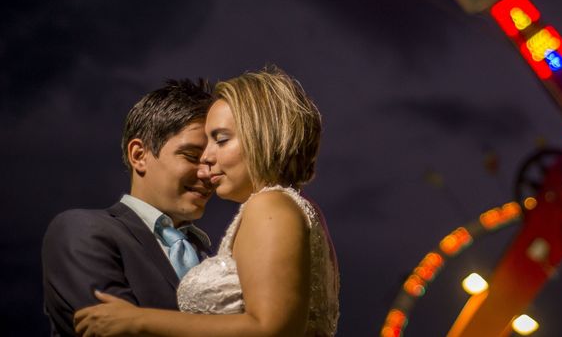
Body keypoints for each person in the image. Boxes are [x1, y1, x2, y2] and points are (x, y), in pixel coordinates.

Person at [74, 67, 340, 337]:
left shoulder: (269, 206)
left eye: (221, 140)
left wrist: (137, 320)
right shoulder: (294, 208)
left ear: (262, 136)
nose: (207, 158)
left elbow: (271, 329)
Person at [42, 79, 215, 337]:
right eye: (192, 156)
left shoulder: (215, 257)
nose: (207, 174)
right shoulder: (82, 231)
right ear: (139, 155)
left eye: (212, 163)